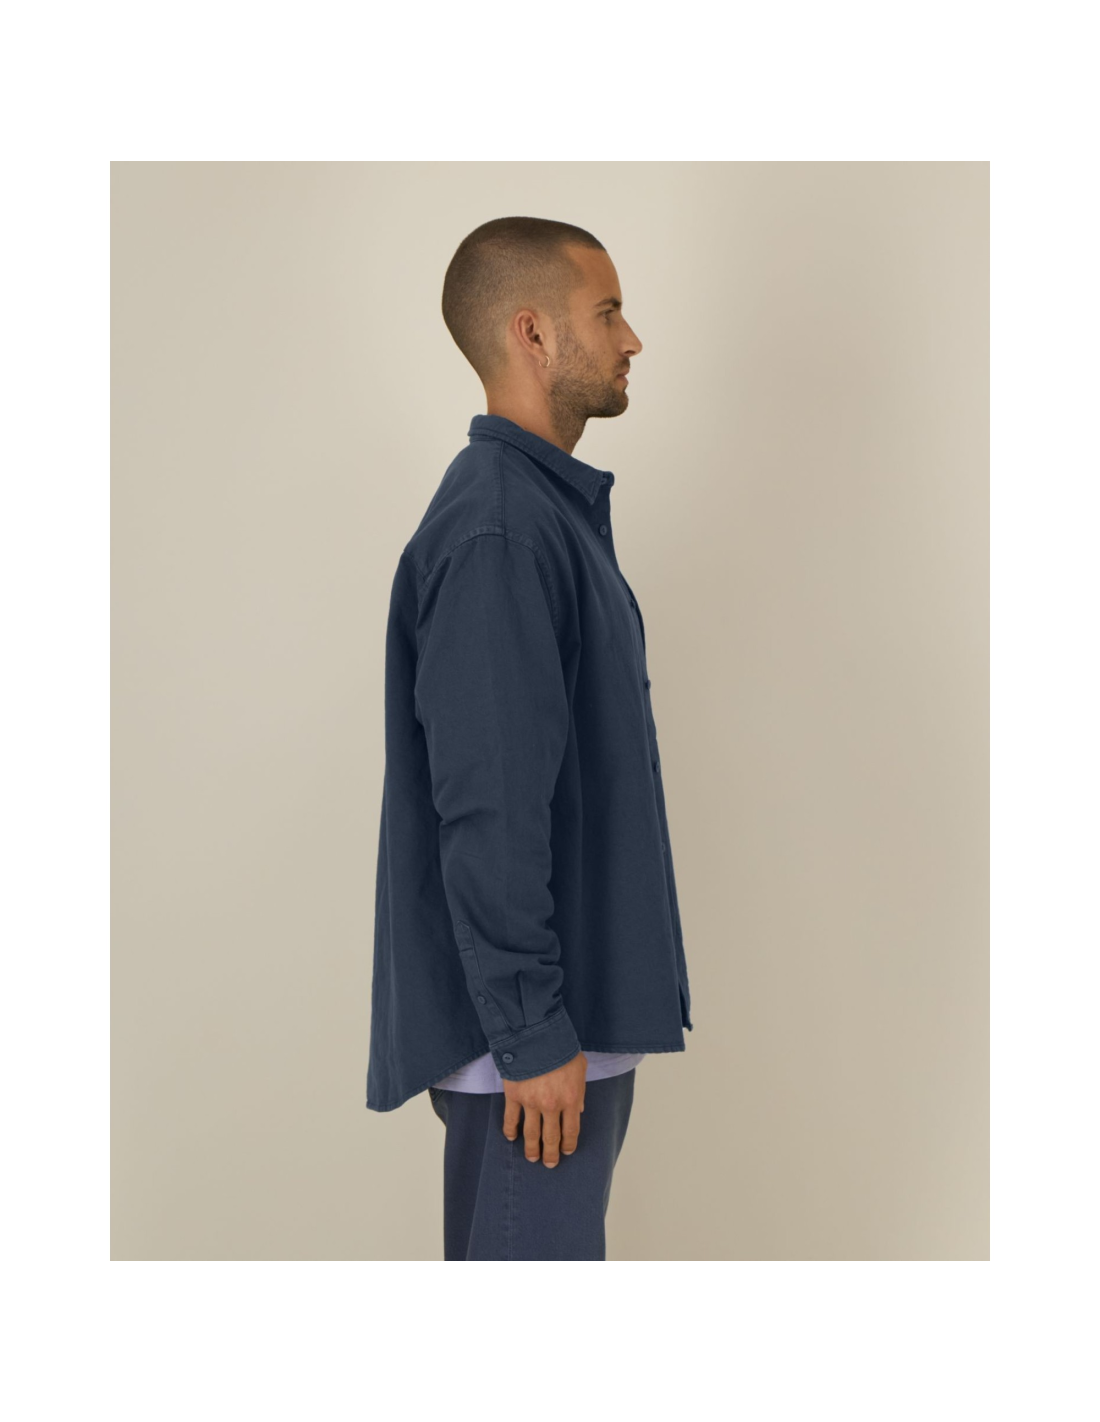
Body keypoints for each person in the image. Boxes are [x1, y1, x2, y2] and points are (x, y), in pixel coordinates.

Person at [365, 216, 692, 1260]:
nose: (631, 339)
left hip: (558, 1033)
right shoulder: (500, 530)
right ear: (533, 333)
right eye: (607, 312)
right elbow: (490, 803)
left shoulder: (537, 514)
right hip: (537, 1051)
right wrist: (530, 1030)